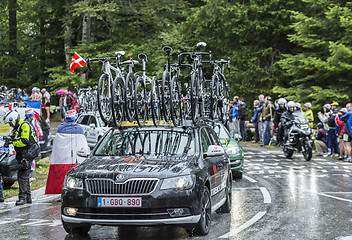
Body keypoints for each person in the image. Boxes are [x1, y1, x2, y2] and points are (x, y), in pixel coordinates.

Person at [45, 109, 89, 194]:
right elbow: (82, 146)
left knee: (61, 177)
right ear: (75, 118)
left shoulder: (60, 128)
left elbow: (57, 146)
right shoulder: (79, 128)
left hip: (61, 160)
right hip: (75, 161)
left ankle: (61, 192)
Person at [3, 110, 38, 205]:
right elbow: (12, 135)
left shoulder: (24, 125)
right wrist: (8, 139)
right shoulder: (18, 127)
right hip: (23, 154)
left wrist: (12, 142)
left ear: (13, 120)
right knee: (24, 176)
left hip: (28, 153)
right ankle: (28, 197)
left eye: (10, 123)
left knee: (22, 177)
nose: (10, 125)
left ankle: (22, 198)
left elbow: (24, 141)